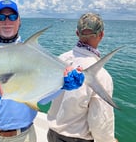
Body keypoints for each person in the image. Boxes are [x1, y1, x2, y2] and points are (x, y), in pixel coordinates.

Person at [0, 0, 84, 142]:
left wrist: (62, 86)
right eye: (1, 17)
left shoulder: (33, 53)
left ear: (19, 21)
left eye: (12, 17)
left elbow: (42, 99)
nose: (7, 21)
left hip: (25, 136)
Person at [47, 13, 118, 142]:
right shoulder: (101, 75)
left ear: (77, 33)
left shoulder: (60, 59)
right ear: (101, 35)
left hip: (52, 134)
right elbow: (100, 121)